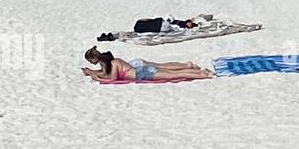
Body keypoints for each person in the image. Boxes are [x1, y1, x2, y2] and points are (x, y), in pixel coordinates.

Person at [81, 46, 214, 83]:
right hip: (142, 70)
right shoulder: (111, 62)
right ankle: (202, 72)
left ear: (94, 59)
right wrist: (92, 73)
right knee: (173, 73)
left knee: (175, 75)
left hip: (142, 73)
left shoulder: (112, 63)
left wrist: (97, 78)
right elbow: (106, 73)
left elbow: (112, 78)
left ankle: (205, 74)